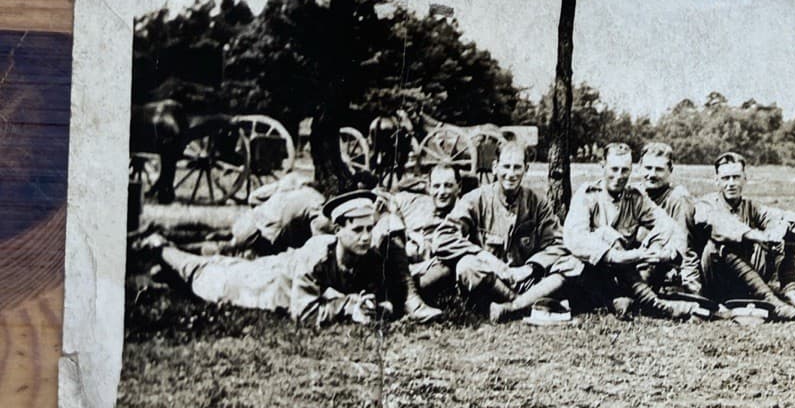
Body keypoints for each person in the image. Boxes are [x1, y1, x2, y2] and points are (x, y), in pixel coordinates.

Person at [145, 189, 443, 326]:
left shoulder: (366, 255)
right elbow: (304, 312)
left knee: (213, 269)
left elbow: (375, 280)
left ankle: (166, 272)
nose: (366, 236)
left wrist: (371, 304)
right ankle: (159, 246)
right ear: (338, 230)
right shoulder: (318, 254)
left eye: (369, 229)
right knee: (208, 275)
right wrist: (347, 308)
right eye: (357, 230)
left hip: (277, 277)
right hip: (264, 284)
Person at [433, 143, 582, 323]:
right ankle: (526, 306)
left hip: (525, 279)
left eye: (517, 167)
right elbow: (443, 237)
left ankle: (513, 308)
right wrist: (485, 257)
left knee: (573, 264)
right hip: (490, 280)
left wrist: (530, 268)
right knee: (466, 266)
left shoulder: (537, 202)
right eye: (506, 166)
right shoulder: (475, 199)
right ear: (495, 167)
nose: (511, 174)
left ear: (525, 169)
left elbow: (558, 243)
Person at [562, 142, 698, 320]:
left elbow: (669, 226)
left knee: (651, 242)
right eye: (614, 169)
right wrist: (614, 255)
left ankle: (629, 302)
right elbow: (575, 238)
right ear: (602, 166)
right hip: (592, 272)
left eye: (625, 170)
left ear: (631, 170)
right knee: (606, 235)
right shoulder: (587, 194)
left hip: (626, 276)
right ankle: (655, 305)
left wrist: (666, 253)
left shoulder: (635, 197)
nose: (619, 176)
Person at [695, 153, 795, 322]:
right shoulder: (706, 203)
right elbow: (720, 225)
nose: (731, 183)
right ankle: (775, 303)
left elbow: (784, 217)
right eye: (725, 178)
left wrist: (776, 234)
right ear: (716, 181)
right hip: (716, 280)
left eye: (736, 177)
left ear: (745, 179)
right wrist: (756, 236)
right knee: (721, 243)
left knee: (790, 229)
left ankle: (791, 292)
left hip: (746, 278)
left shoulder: (751, 206)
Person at [380, 162, 462, 305]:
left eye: (448, 186)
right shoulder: (416, 203)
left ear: (458, 187)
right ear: (429, 188)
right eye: (436, 186)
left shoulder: (464, 213)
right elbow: (388, 200)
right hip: (400, 263)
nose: (441, 192)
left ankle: (402, 296)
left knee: (448, 268)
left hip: (430, 269)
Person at [638, 142, 703, 297]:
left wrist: (691, 286)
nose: (652, 174)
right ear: (639, 167)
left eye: (659, 169)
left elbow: (686, 247)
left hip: (662, 265)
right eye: (648, 168)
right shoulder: (636, 194)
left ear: (670, 170)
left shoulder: (678, 198)